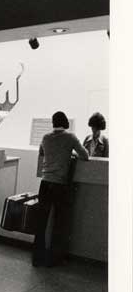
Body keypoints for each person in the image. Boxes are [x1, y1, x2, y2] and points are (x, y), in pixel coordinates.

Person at [35, 111, 90, 267]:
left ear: (53, 123)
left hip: (45, 183)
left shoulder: (45, 137)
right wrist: (70, 153)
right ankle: (53, 259)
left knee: (42, 222)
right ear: (65, 122)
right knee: (59, 223)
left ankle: (37, 257)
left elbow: (42, 153)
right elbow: (85, 155)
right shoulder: (70, 137)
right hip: (60, 184)